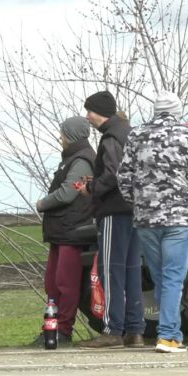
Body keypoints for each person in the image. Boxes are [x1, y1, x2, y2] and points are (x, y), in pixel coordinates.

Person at [117, 92, 188, 353]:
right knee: (172, 278)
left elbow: (124, 177)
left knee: (161, 278)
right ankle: (169, 336)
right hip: (179, 218)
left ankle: (168, 332)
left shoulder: (136, 136)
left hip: (146, 219)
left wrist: (136, 204)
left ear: (155, 110)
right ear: (177, 111)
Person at [77, 90, 144, 349]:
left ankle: (112, 329)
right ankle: (135, 330)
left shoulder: (111, 137)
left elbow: (114, 173)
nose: (88, 117)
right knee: (131, 271)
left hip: (115, 211)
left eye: (90, 111)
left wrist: (91, 189)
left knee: (110, 270)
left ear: (100, 112)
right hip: (135, 209)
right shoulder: (129, 133)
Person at [34, 117, 96, 348]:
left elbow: (68, 193)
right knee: (52, 282)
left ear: (69, 135)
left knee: (65, 283)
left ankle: (63, 330)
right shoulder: (73, 158)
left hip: (73, 230)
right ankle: (51, 327)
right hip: (62, 230)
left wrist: (42, 204)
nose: (60, 138)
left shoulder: (81, 160)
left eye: (62, 134)